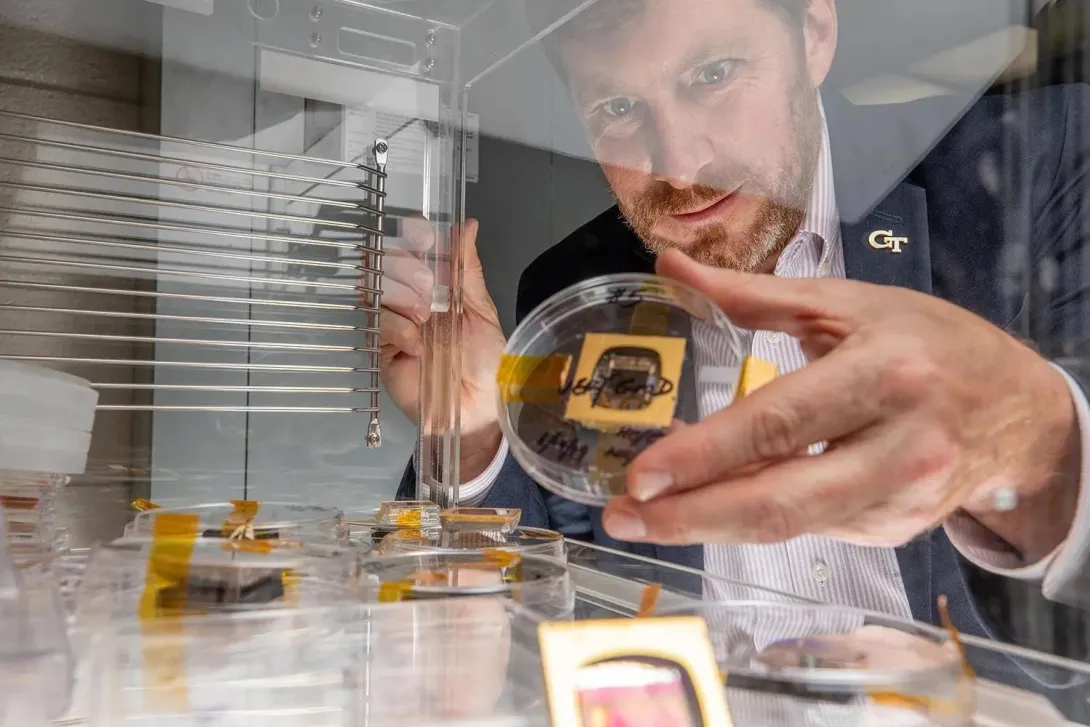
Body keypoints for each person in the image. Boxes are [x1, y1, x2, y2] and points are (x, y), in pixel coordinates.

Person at [382, 0, 1090, 674]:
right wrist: (471, 431)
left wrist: (1033, 440)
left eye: (712, 75)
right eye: (618, 109)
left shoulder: (1036, 163)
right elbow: (549, 577)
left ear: (813, 34)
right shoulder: (577, 288)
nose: (680, 165)